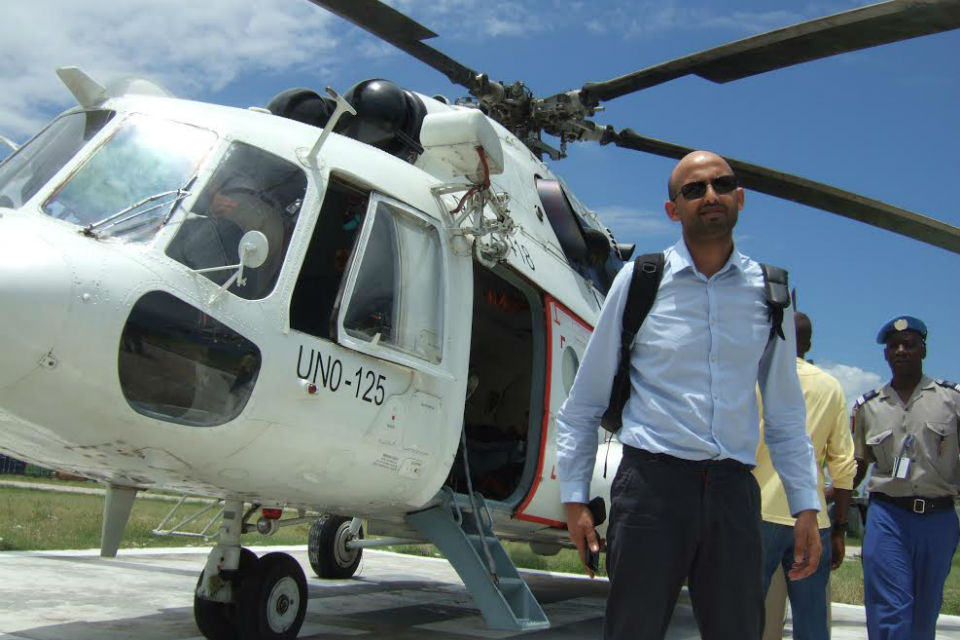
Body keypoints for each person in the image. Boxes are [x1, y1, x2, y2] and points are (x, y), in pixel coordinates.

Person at [556, 150, 821, 640]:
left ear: (739, 198)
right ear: (672, 210)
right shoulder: (640, 281)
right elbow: (584, 402)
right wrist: (574, 497)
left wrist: (807, 505)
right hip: (651, 489)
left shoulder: (771, 293)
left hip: (733, 494)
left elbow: (785, 414)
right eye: (693, 189)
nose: (710, 195)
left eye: (721, 184)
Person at [852, 316, 960, 640]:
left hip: (938, 519)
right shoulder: (867, 408)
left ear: (923, 349)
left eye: (909, 344)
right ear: (885, 355)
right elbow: (856, 467)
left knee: (924, 616)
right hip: (888, 516)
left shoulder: (952, 400)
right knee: (891, 611)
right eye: (893, 346)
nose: (901, 350)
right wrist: (828, 498)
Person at [755, 311, 856, 640]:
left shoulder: (752, 377)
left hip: (757, 513)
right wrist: (840, 527)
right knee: (812, 620)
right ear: (809, 343)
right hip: (812, 519)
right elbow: (843, 466)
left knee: (744, 612)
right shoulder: (830, 387)